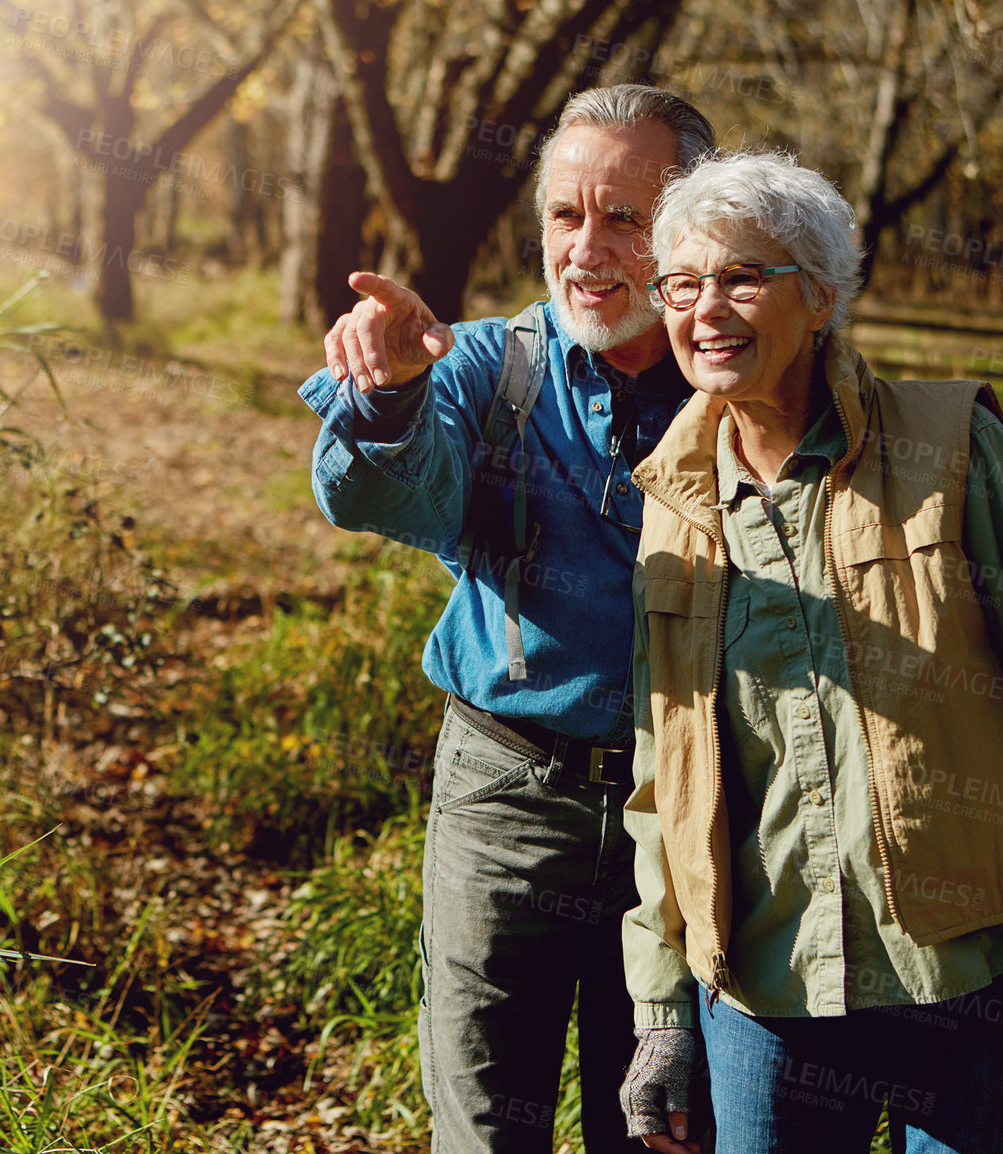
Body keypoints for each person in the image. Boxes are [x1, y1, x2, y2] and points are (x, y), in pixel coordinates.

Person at [614, 150, 1003, 1153]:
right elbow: (666, 777)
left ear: (821, 296)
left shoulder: (949, 447)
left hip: (981, 984)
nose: (707, 306)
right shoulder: (672, 501)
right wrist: (661, 1005)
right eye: (682, 283)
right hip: (768, 993)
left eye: (743, 275)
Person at [299, 86, 716, 1152]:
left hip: (695, 815)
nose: (586, 248)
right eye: (564, 216)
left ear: (692, 226)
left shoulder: (742, 388)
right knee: (487, 1128)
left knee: (663, 1128)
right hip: (505, 800)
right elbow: (383, 492)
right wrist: (388, 388)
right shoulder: (486, 366)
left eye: (625, 216)